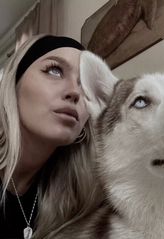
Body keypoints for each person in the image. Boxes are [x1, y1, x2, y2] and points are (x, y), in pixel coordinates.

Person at [0, 35, 103, 239]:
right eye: (54, 70)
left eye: (85, 85)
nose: (75, 92)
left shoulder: (79, 199)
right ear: (14, 86)